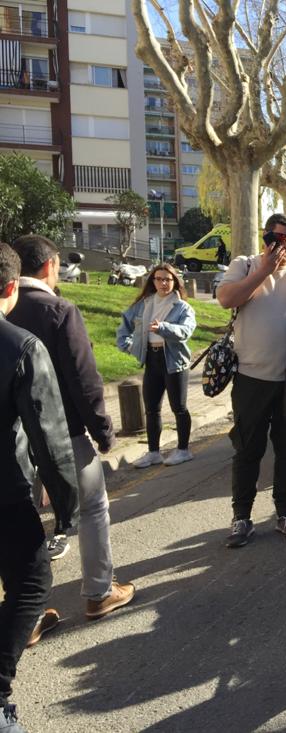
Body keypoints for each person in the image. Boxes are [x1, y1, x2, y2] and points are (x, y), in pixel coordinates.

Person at [8, 235, 135, 619]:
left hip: (12, 438)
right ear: (49, 266)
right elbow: (84, 379)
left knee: (24, 518)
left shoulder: (7, 310)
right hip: (61, 434)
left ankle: (26, 611)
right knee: (93, 507)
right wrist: (103, 431)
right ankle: (98, 591)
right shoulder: (59, 310)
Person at [1, 241, 79, 733]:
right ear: (10, 289)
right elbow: (50, 439)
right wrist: (66, 510)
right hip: (6, 492)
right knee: (32, 584)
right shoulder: (21, 346)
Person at [217, 213, 286, 548]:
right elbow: (226, 299)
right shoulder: (244, 265)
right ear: (267, 238)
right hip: (251, 378)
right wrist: (264, 270)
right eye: (281, 238)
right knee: (247, 450)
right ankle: (242, 519)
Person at [116, 263, 197, 468]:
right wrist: (128, 346)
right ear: (152, 281)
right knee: (151, 409)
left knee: (179, 407)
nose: (163, 283)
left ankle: (183, 450)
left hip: (174, 360)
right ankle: (153, 453)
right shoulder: (145, 303)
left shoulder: (182, 307)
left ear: (175, 282)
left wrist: (163, 327)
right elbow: (124, 324)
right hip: (152, 360)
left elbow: (185, 331)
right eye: (159, 279)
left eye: (168, 279)